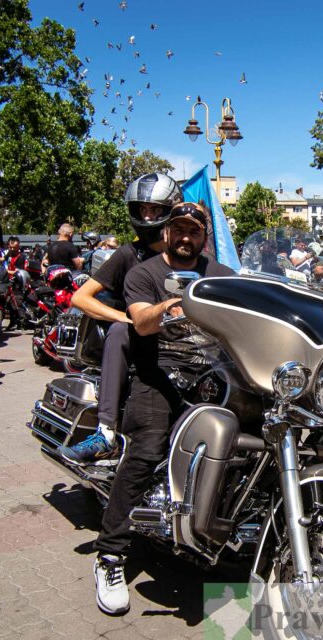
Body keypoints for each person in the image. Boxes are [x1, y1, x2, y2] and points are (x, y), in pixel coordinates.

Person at [92, 201, 233, 615]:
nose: (186, 236)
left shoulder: (221, 276)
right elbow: (140, 322)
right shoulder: (145, 273)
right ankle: (110, 555)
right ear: (167, 233)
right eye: (179, 229)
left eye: (194, 230)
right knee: (148, 448)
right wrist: (169, 306)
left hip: (215, 373)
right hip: (160, 374)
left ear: (205, 236)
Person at [59, 173, 182, 463]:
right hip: (145, 339)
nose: (148, 216)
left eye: (155, 210)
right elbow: (81, 297)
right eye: (143, 210)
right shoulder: (129, 254)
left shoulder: (185, 251)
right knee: (118, 332)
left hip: (186, 340)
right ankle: (106, 432)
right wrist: (124, 319)